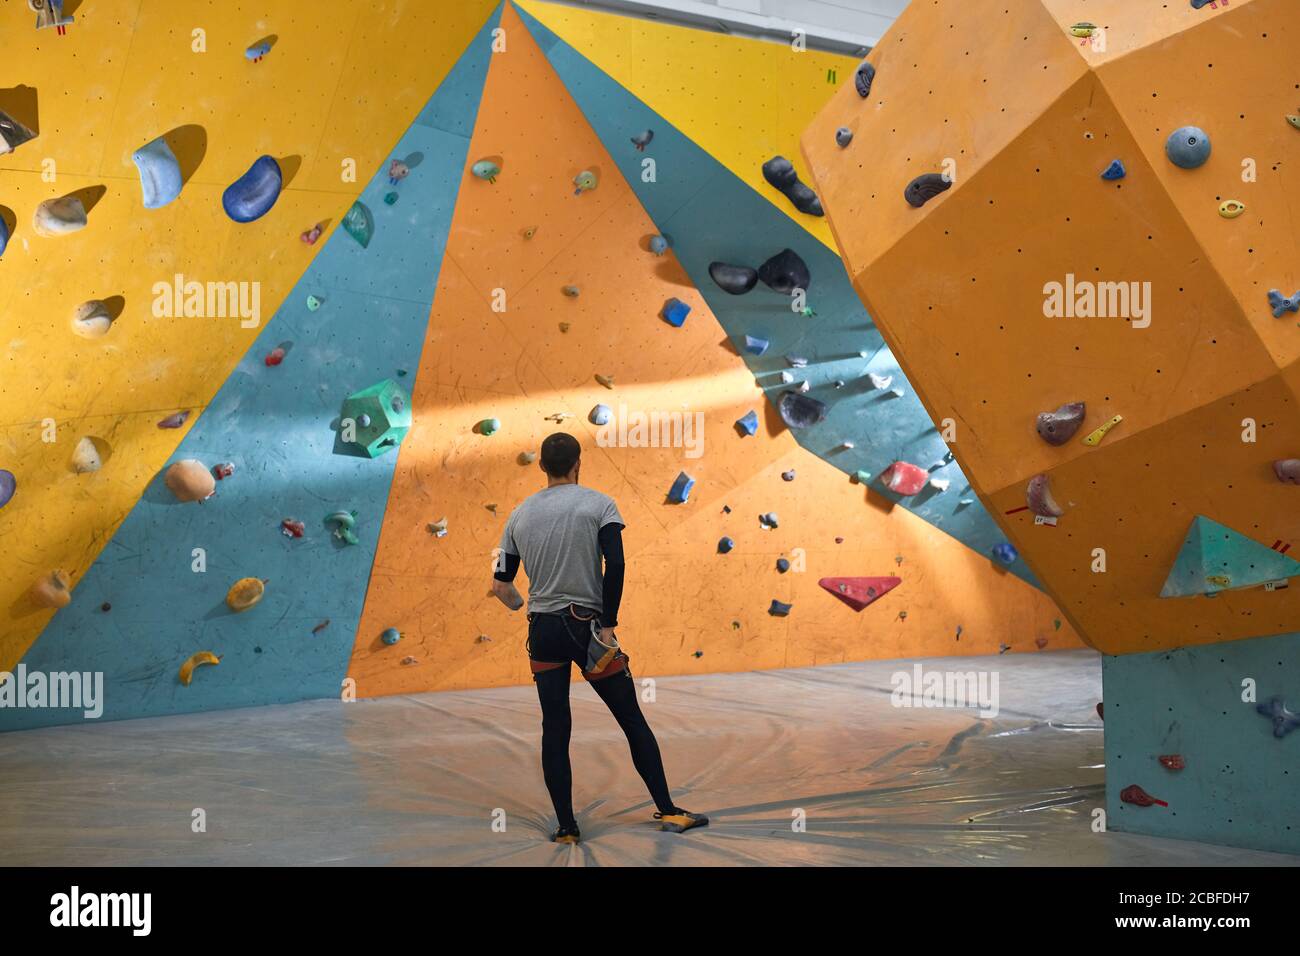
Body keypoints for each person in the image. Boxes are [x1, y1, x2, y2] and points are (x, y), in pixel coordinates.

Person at [491, 432, 708, 845]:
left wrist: (524, 606)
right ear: (579, 463)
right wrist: (607, 623)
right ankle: (668, 809)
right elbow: (618, 562)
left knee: (555, 728)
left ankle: (567, 828)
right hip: (586, 627)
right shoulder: (599, 504)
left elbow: (501, 585)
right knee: (630, 719)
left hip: (544, 632)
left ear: (541, 466)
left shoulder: (518, 515)